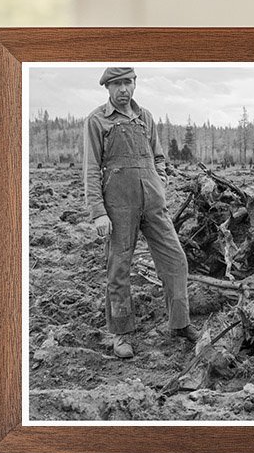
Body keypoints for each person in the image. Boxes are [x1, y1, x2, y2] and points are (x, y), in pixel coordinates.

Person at [83, 66, 197, 359]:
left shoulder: (145, 117)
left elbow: (159, 157)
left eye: (128, 82)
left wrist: (161, 181)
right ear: (107, 87)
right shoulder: (97, 121)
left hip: (154, 204)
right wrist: (98, 213)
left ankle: (180, 323)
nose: (123, 89)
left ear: (135, 84)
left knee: (176, 259)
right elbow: (91, 169)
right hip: (118, 207)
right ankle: (121, 333)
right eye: (117, 84)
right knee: (118, 268)